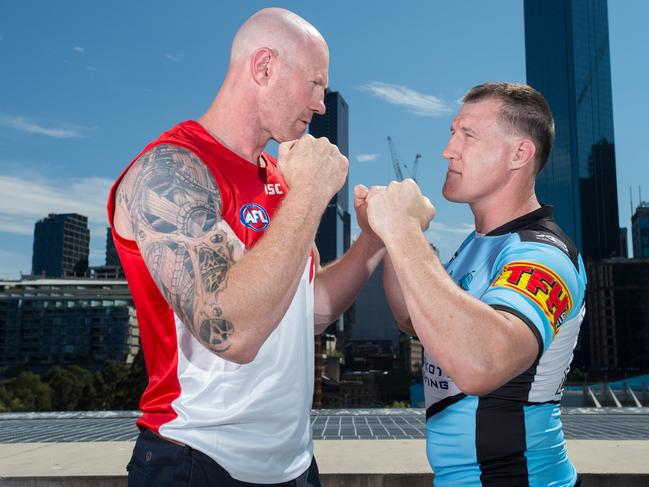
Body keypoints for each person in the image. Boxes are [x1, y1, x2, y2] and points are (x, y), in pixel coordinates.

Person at [108, 8, 384, 487]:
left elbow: (309, 311)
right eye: (314, 84)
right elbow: (232, 332)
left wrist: (373, 240)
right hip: (197, 461)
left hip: (294, 464)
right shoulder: (170, 171)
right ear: (264, 68)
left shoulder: (282, 180)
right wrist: (309, 195)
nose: (321, 104)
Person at [364, 82, 586, 486]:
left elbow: (481, 364)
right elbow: (414, 320)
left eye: (468, 135)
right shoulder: (476, 247)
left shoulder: (544, 255)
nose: (448, 150)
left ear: (520, 154)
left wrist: (404, 231)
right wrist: (391, 234)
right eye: (452, 133)